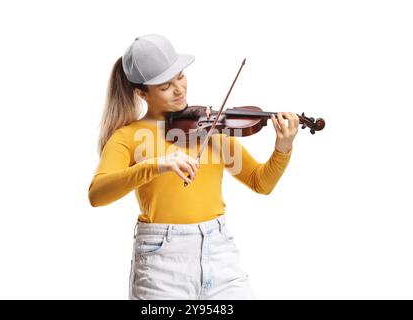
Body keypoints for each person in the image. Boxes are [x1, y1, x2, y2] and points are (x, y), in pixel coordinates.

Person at [88, 34, 300, 300]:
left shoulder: (209, 127)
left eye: (180, 76)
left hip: (219, 253)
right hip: (161, 260)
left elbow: (261, 183)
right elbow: (97, 194)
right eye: (165, 86)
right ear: (141, 93)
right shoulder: (127, 137)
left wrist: (283, 147)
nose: (179, 89)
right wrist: (156, 165)